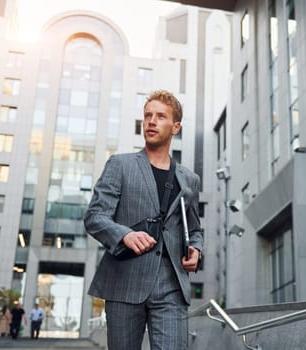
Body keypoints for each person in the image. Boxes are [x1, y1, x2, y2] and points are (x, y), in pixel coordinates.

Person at [84, 90, 203, 350]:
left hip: (171, 284)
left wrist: (196, 250)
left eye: (161, 117)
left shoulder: (189, 180)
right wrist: (123, 234)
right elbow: (94, 216)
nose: (151, 121)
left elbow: (194, 230)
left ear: (176, 127)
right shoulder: (120, 165)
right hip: (125, 281)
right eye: (148, 115)